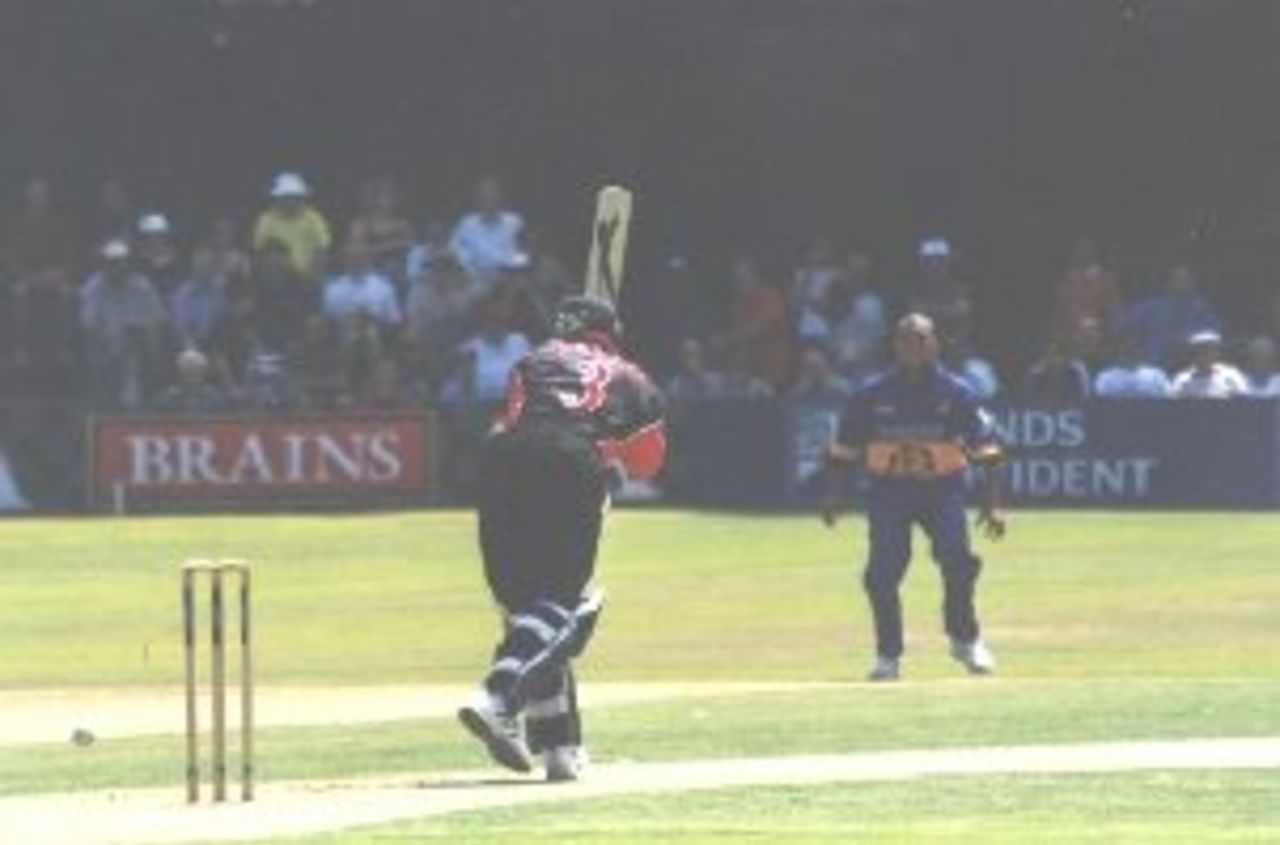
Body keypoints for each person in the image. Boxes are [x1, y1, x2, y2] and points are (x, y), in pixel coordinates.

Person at [458, 295, 666, 783]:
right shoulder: (628, 374)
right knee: (562, 603)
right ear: (609, 332)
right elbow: (646, 462)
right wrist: (604, 451)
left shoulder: (530, 362)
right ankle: (497, 694)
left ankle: (559, 747)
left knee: (528, 612)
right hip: (570, 460)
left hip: (501, 460)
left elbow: (513, 417)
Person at [820, 313, 1006, 682]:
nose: (913, 347)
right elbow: (843, 450)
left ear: (934, 344)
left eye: (920, 339)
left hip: (942, 491)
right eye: (905, 339)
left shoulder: (957, 393)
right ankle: (888, 655)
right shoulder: (871, 395)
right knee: (881, 575)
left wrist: (993, 504)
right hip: (889, 493)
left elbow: (987, 451)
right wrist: (834, 495)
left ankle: (965, 639)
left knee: (958, 562)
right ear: (895, 346)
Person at [1170, 331, 1249, 399]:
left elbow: (1244, 402)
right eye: (1201, 350)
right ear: (1194, 353)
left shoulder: (1231, 377)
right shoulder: (1183, 380)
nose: (1206, 354)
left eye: (1211, 350)